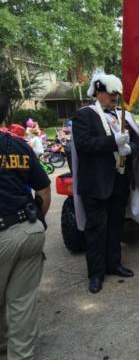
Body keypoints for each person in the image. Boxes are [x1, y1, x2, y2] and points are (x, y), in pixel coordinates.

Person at [71, 71, 139, 294]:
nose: (114, 97)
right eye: (110, 92)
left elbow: (138, 144)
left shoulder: (124, 115)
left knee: (116, 225)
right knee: (96, 230)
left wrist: (129, 148)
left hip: (119, 180)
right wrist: (113, 142)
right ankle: (96, 274)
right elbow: (85, 144)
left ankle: (114, 263)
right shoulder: (83, 116)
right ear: (98, 92)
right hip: (96, 183)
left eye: (116, 93)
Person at [0, 94, 51, 359]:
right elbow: (44, 190)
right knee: (21, 303)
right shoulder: (20, 147)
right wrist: (36, 224)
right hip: (28, 229)